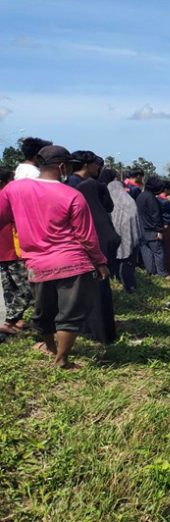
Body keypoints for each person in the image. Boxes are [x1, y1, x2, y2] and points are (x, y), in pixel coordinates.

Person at [0, 145, 109, 369]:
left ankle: (51, 349)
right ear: (62, 167)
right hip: (73, 262)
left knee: (45, 313)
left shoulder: (13, 190)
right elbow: (86, 236)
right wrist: (100, 263)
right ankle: (62, 360)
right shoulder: (72, 195)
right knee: (69, 314)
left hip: (37, 264)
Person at [75, 164, 119, 345]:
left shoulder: (85, 216)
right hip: (103, 258)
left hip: (93, 260)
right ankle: (105, 332)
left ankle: (93, 332)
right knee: (102, 295)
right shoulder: (101, 215)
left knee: (91, 296)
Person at [0, 169, 33, 335]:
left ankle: (15, 322)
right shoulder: (7, 198)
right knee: (27, 289)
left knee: (10, 290)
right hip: (14, 251)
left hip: (5, 252)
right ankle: (9, 321)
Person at [106, 169, 141, 292]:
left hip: (114, 235)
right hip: (129, 236)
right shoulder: (128, 200)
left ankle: (120, 281)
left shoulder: (109, 199)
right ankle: (128, 285)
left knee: (118, 260)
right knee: (126, 261)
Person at [136, 176, 167, 277]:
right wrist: (160, 230)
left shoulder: (140, 196)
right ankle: (162, 273)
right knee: (158, 252)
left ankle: (151, 272)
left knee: (146, 251)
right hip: (152, 230)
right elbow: (156, 216)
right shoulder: (151, 198)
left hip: (141, 229)